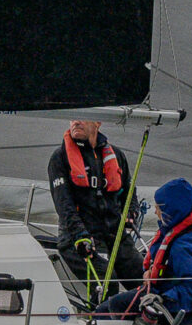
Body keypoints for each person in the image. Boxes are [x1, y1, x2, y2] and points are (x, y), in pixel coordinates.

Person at [92, 177, 192, 325]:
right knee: (112, 305)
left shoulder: (184, 246)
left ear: (171, 211)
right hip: (166, 293)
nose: (155, 212)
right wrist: (149, 272)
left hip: (182, 309)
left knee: (114, 306)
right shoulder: (179, 227)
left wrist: (163, 299)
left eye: (159, 208)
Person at [47, 119, 144, 297]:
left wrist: (132, 212)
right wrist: (80, 235)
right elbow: (63, 204)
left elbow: (129, 191)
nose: (76, 122)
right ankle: (101, 313)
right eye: (73, 118)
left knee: (146, 279)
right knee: (107, 284)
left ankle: (141, 312)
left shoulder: (116, 155)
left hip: (115, 235)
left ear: (97, 123)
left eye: (82, 117)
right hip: (79, 237)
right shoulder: (60, 157)